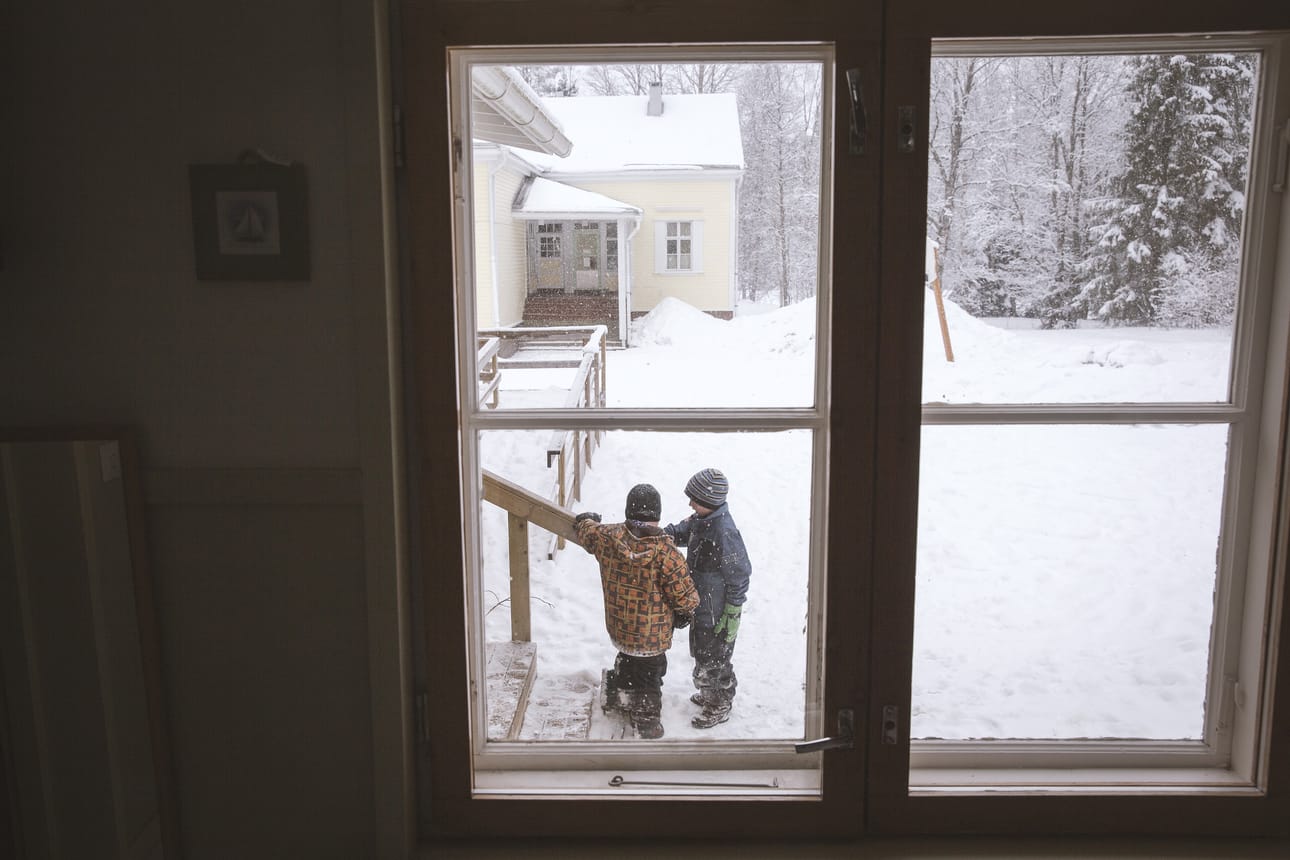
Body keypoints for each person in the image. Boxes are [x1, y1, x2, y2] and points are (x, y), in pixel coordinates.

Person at [574, 483, 698, 739]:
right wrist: (686, 611)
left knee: (628, 660)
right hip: (652, 636)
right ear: (658, 516)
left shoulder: (608, 538)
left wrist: (586, 520)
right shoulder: (667, 554)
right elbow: (684, 595)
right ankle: (647, 720)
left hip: (621, 627)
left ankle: (622, 690)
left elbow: (588, 532)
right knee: (650, 679)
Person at [664, 467, 751, 729]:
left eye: (695, 500)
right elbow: (681, 530)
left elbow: (740, 574)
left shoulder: (724, 533)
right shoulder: (702, 520)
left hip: (717, 611)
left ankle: (720, 701)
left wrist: (733, 610)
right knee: (701, 652)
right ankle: (708, 692)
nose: (690, 503)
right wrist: (662, 534)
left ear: (710, 502)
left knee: (715, 658)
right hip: (701, 605)